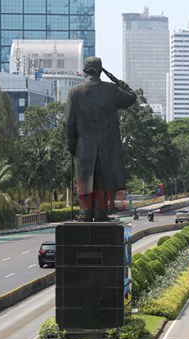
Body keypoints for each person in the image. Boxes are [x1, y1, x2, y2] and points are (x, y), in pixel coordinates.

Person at [64, 56, 137, 222]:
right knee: (102, 183)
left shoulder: (74, 92)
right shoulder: (111, 90)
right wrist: (115, 79)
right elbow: (131, 97)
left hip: (83, 147)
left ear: (84, 71)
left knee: (85, 181)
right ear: (100, 70)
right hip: (107, 149)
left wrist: (72, 146)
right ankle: (101, 213)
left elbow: (68, 123)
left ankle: (85, 213)